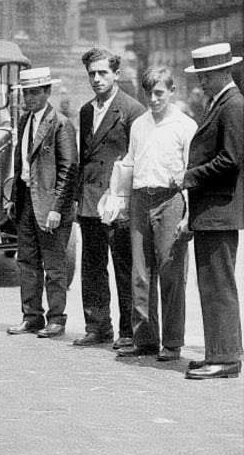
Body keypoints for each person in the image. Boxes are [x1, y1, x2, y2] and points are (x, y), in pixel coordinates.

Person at [109, 67, 197, 361]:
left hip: (170, 200)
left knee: (171, 272)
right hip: (140, 199)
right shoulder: (139, 125)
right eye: (149, 93)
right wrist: (119, 200)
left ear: (172, 92)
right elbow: (130, 164)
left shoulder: (185, 126)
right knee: (140, 273)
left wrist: (189, 215)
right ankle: (145, 338)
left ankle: (172, 342)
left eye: (159, 92)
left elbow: (190, 175)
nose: (154, 98)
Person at [173, 43, 243, 380]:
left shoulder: (233, 106)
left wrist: (189, 177)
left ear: (223, 73)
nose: (201, 82)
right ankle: (218, 353)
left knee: (219, 286)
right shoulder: (221, 103)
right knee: (211, 286)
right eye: (200, 75)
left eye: (206, 75)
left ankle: (227, 358)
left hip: (220, 211)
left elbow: (231, 160)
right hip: (212, 211)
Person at [72, 48, 146, 348]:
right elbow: (84, 159)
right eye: (92, 73)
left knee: (124, 267)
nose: (97, 79)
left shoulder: (132, 111)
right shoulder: (86, 110)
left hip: (118, 202)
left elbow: (135, 160)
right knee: (92, 267)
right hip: (91, 201)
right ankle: (98, 326)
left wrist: (126, 201)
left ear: (117, 74)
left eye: (103, 73)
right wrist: (79, 198)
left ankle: (129, 331)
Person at [5, 67, 78, 339]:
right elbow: (21, 163)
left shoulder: (60, 124)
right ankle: (31, 316)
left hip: (50, 207)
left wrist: (57, 209)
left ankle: (56, 319)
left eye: (35, 92)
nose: (29, 97)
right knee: (27, 262)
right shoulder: (25, 122)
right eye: (26, 92)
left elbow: (69, 169)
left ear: (47, 92)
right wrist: (14, 199)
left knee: (55, 266)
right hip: (26, 202)